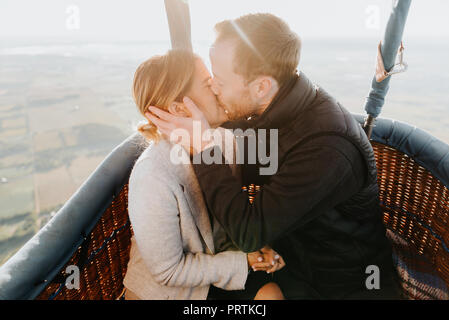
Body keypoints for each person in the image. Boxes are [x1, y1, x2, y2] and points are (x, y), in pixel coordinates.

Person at [146, 13, 402, 299]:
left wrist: (205, 148)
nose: (214, 89)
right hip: (288, 262)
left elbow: (248, 233)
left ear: (261, 86)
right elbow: (234, 129)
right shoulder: (269, 106)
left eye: (217, 80)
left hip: (340, 285)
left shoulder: (327, 147)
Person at [123, 49, 286, 300]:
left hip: (215, 267)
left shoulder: (222, 142)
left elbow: (231, 214)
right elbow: (168, 271)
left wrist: (254, 247)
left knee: (272, 295)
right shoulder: (151, 177)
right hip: (171, 291)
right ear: (179, 109)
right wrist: (243, 261)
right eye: (208, 85)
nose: (219, 90)